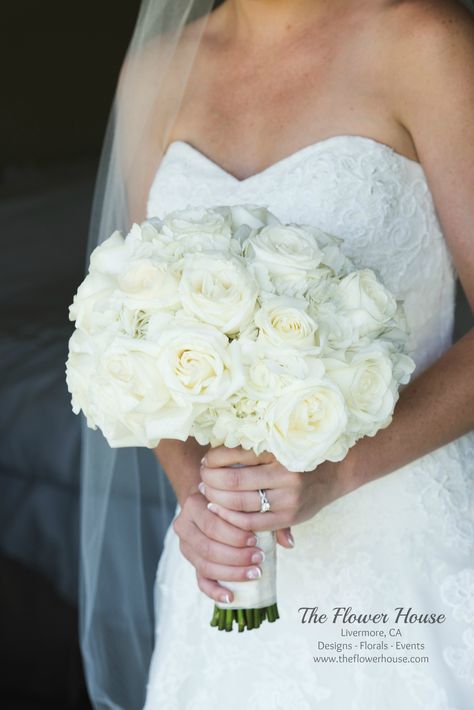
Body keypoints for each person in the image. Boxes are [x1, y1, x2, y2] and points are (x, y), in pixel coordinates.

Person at [82, 1, 474, 708]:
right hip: (223, 562)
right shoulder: (155, 71)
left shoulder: (423, 43)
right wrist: (195, 495)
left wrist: (336, 474)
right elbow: (142, 331)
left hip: (400, 549)